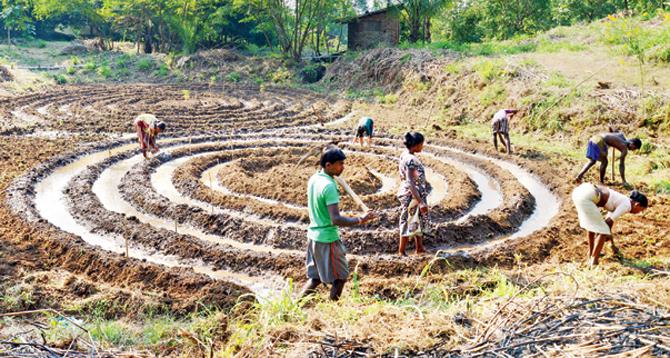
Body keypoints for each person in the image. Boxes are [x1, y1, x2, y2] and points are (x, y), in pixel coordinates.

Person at [299, 146, 376, 301]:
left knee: (315, 278)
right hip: (327, 239)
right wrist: (361, 219)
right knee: (340, 277)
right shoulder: (329, 186)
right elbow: (336, 219)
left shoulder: (314, 179)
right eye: (340, 164)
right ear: (328, 165)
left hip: (313, 235)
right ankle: (334, 306)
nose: (343, 167)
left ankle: (295, 305)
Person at [571, 183, 648, 266]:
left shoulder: (620, 199)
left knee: (593, 227)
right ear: (637, 205)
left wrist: (611, 243)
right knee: (602, 231)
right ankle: (594, 260)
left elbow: (608, 223)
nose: (639, 213)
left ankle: (591, 253)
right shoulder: (627, 205)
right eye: (641, 210)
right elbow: (608, 223)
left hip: (579, 191)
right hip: (587, 196)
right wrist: (606, 237)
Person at [397, 132, 431, 256]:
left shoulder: (405, 155)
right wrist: (420, 201)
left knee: (418, 220)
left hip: (413, 193)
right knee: (408, 221)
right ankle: (401, 251)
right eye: (422, 144)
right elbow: (410, 182)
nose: (423, 146)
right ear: (416, 145)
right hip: (412, 195)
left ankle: (420, 248)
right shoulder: (411, 160)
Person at [575, 131, 642, 188]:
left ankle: (579, 176)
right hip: (600, 142)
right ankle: (601, 182)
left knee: (592, 161)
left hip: (594, 138)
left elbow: (612, 132)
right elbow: (621, 165)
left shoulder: (621, 135)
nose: (633, 150)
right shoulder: (624, 148)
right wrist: (624, 181)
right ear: (632, 144)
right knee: (605, 162)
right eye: (634, 148)